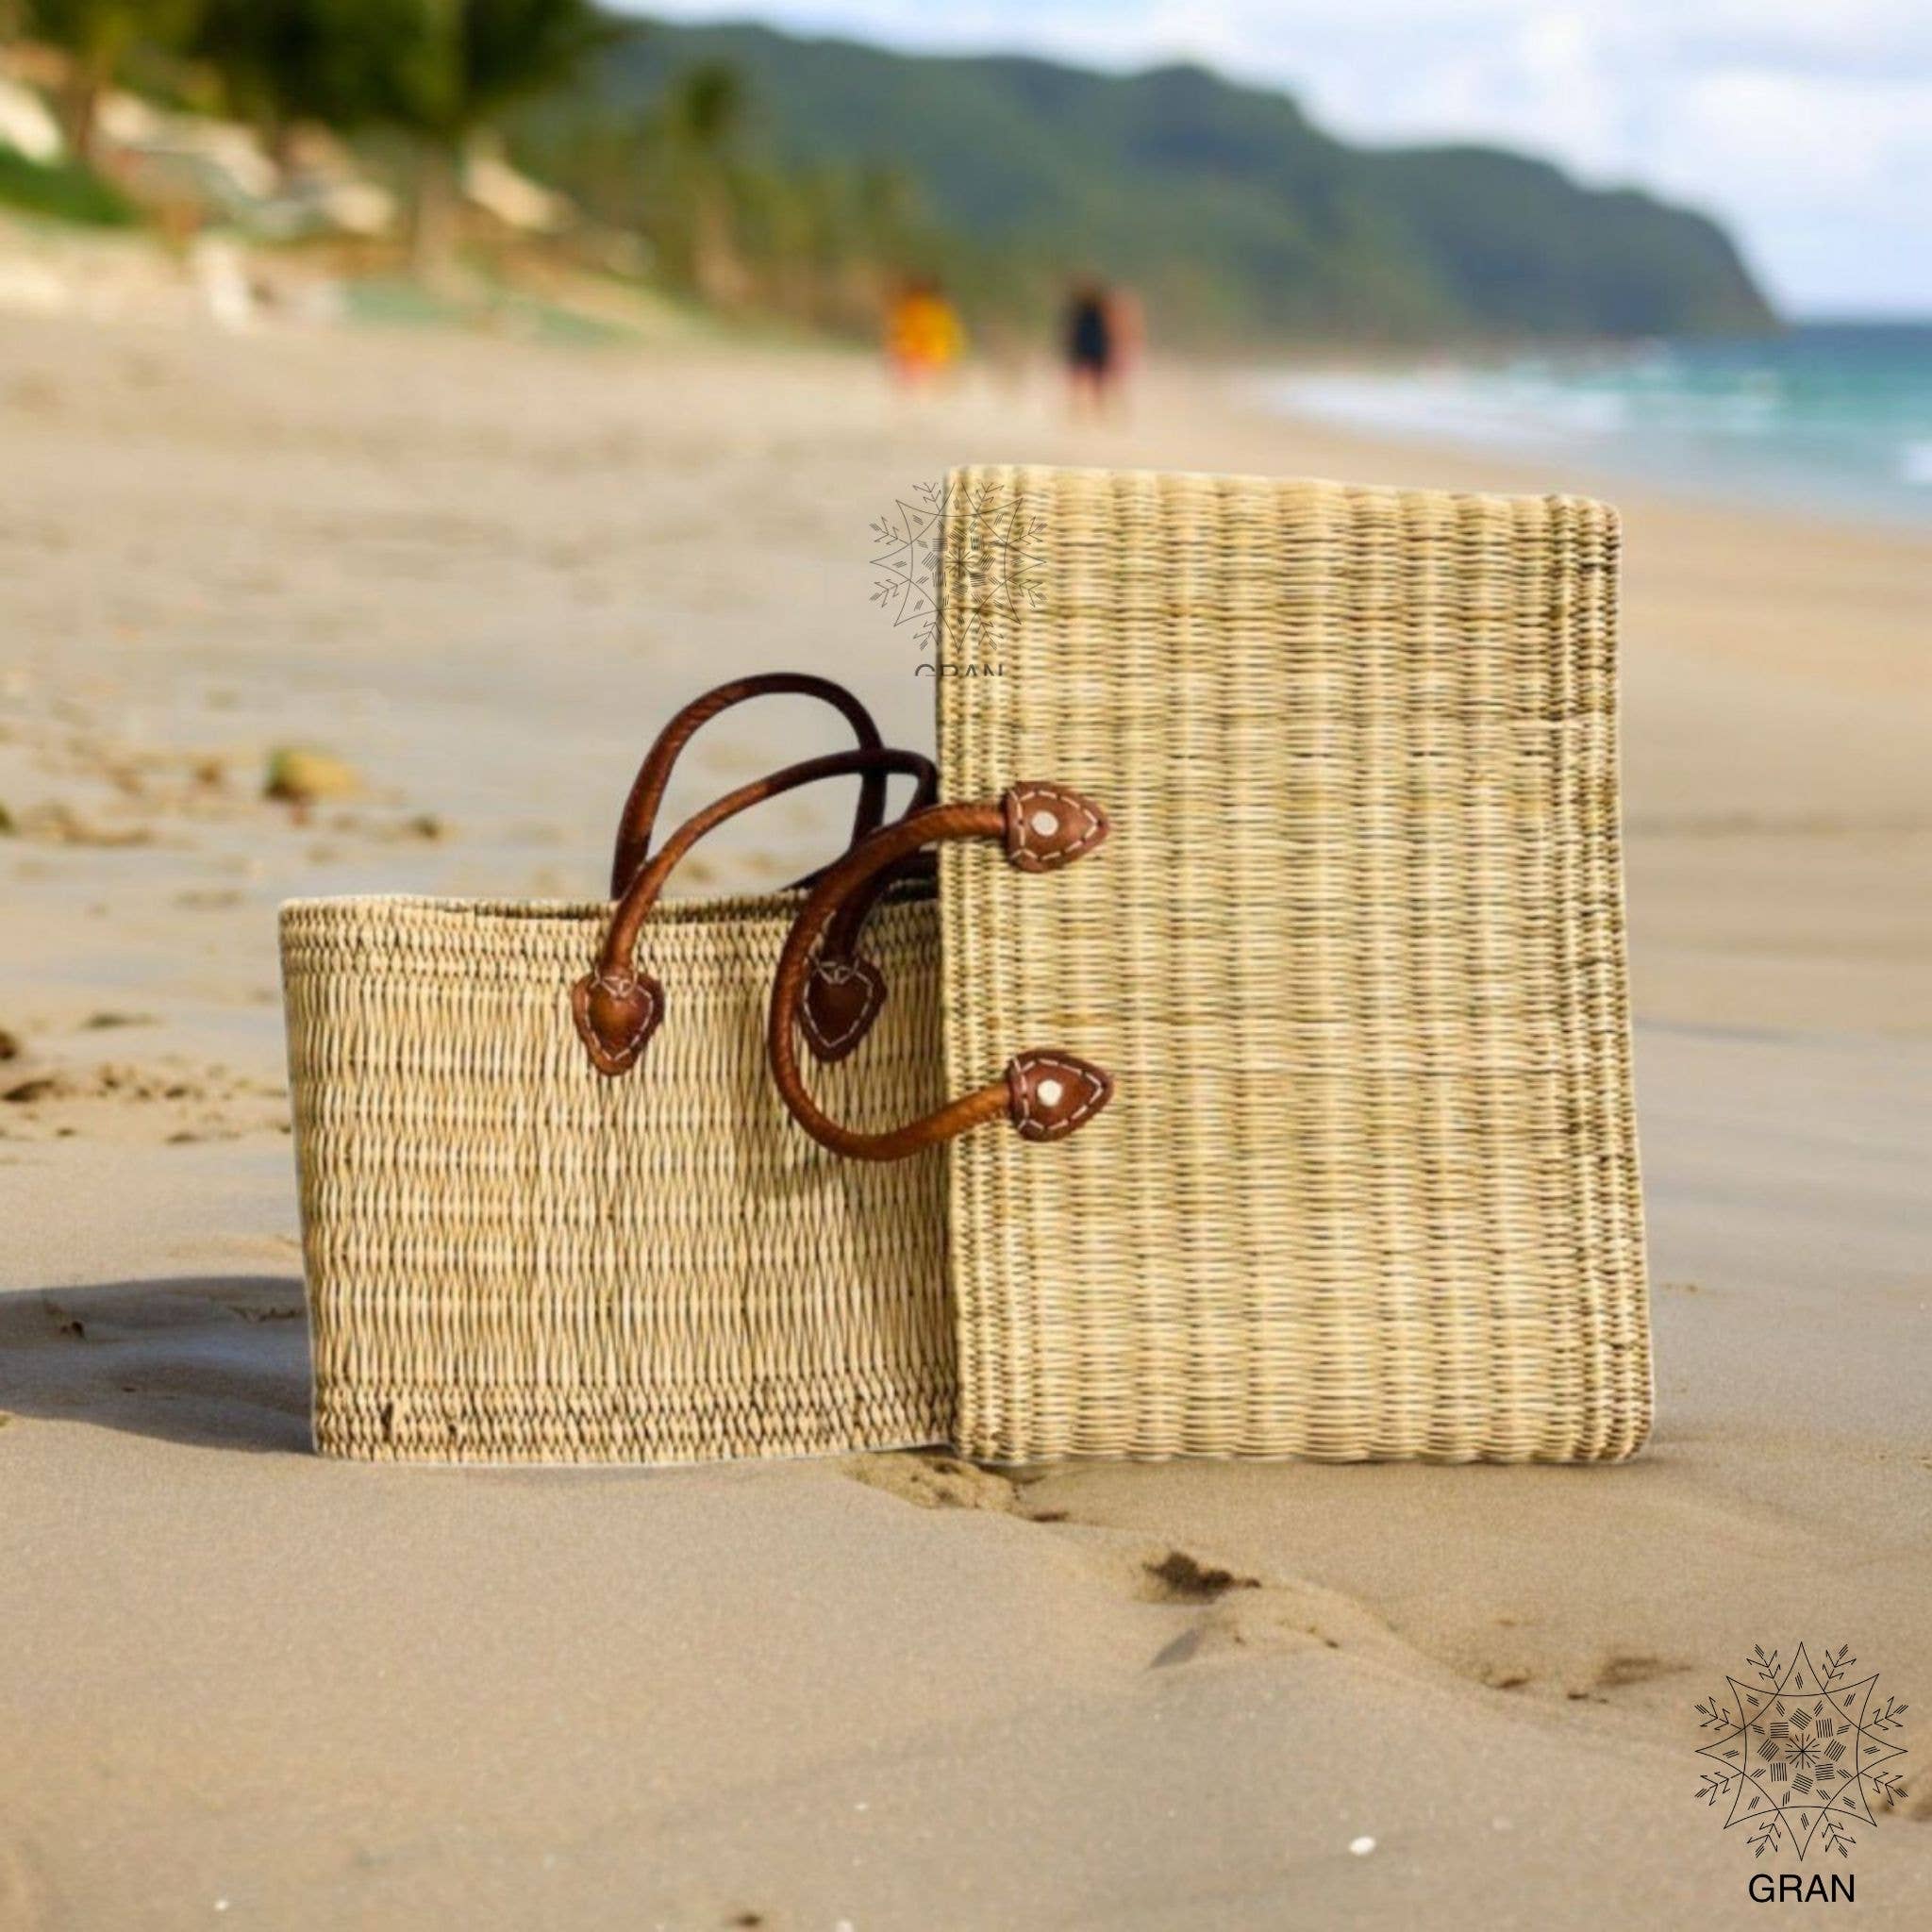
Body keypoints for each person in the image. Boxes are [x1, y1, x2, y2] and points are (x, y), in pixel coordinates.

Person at [884, 276, 965, 391]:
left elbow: (901, 334)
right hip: (928, 357)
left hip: (925, 357)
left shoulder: (918, 309)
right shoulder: (933, 309)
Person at [1064, 278, 1116, 415]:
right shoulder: (1084, 309)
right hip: (1089, 347)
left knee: (1094, 382)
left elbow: (1072, 330)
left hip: (1094, 347)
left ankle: (1093, 410)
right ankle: (1080, 409)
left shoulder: (1097, 309)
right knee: (1086, 381)